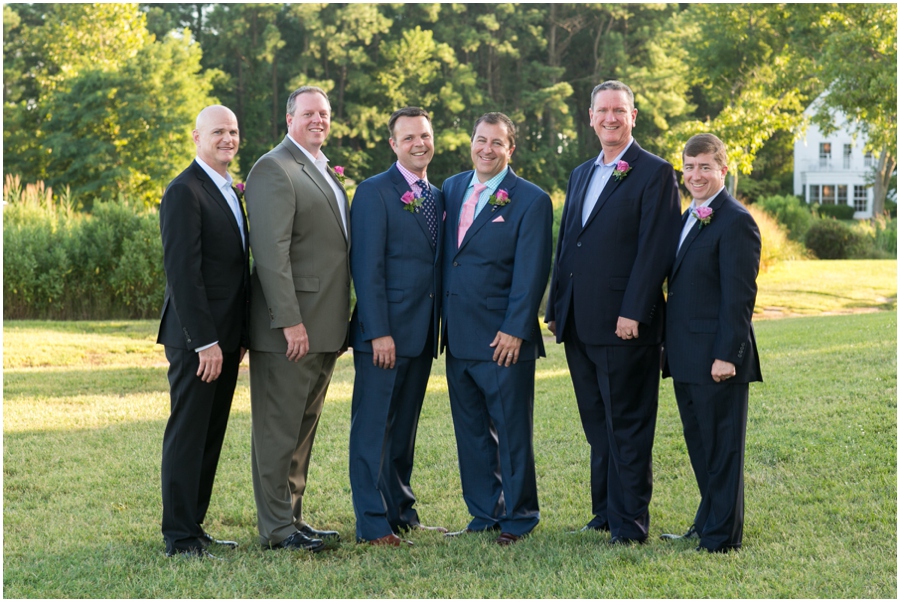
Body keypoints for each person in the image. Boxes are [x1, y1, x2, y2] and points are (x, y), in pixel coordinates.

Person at [545, 80, 681, 544]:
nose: (609, 118)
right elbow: (568, 244)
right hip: (580, 323)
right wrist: (555, 306)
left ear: (633, 116)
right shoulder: (581, 173)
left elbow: (655, 249)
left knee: (628, 424)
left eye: (618, 111)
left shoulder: (654, 172)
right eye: (602, 111)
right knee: (597, 425)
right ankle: (604, 512)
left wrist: (635, 311)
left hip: (625, 325)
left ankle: (630, 524)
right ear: (589, 117)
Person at [244, 86, 350, 553]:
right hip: (291, 329)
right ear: (289, 119)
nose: (318, 120)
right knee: (277, 429)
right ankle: (275, 529)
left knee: (302, 429)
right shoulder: (274, 168)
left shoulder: (321, 169)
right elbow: (271, 254)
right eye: (308, 113)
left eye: (324, 114)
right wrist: (289, 321)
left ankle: (293, 518)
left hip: (324, 326)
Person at [441, 112, 553, 546]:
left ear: (511, 150)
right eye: (480, 140)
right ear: (471, 142)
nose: (486, 149)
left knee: (511, 431)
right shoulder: (451, 189)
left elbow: (532, 271)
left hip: (503, 338)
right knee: (470, 431)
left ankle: (519, 517)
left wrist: (515, 329)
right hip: (459, 335)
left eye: (496, 143)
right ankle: (484, 512)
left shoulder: (530, 199)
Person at [348, 107, 446, 547]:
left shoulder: (438, 195)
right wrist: (378, 331)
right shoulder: (374, 192)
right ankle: (372, 525)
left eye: (424, 135)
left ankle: (401, 511)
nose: (418, 144)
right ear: (393, 144)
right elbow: (365, 268)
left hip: (422, 335)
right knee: (372, 431)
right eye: (408, 138)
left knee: (403, 430)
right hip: (383, 337)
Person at [660, 133, 762, 553]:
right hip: (686, 355)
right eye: (689, 167)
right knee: (701, 447)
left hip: (717, 359)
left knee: (722, 450)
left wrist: (727, 356)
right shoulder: (690, 215)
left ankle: (722, 537)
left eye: (705, 166)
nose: (695, 175)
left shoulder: (736, 220)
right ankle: (707, 522)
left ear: (723, 169)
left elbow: (739, 298)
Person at [157, 105, 249, 559]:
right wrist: (205, 342)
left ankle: (195, 525)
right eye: (218, 131)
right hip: (199, 341)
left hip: (229, 339)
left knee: (210, 436)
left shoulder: (230, 189)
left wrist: (236, 336)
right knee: (188, 434)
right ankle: (179, 536)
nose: (227, 138)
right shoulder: (183, 191)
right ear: (197, 137)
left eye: (233, 131)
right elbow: (183, 275)